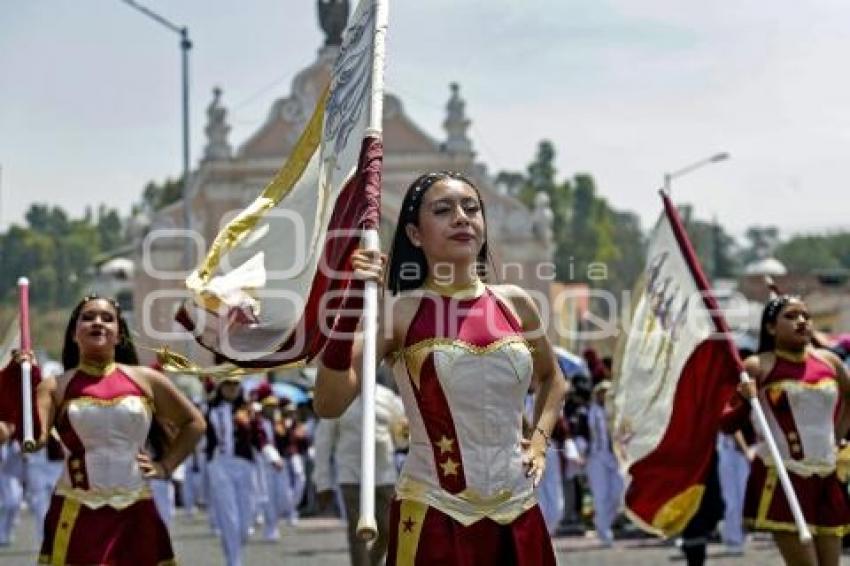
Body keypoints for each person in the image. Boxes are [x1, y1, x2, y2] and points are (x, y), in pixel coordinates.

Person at [314, 171, 568, 565]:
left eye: (471, 208)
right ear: (415, 235)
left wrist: (538, 442)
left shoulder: (516, 304)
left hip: (518, 512)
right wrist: (346, 304)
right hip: (433, 514)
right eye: (444, 210)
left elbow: (553, 379)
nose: (462, 218)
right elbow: (329, 402)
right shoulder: (399, 314)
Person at [0, 294, 206, 565]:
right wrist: (22, 381)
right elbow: (34, 441)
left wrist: (165, 466)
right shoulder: (55, 386)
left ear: (119, 334)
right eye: (88, 318)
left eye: (107, 318)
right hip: (78, 511)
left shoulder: (147, 380)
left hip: (137, 510)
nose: (98, 323)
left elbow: (194, 424)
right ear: (75, 334)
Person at [724, 295, 850, 566]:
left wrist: (837, 440)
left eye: (805, 315)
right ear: (770, 328)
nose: (801, 321)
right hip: (783, 477)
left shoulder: (830, 363)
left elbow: (848, 401)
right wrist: (745, 400)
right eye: (791, 317)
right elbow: (727, 423)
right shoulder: (758, 366)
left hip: (827, 476)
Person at [314, 380, 406, 566]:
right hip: (351, 475)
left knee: (390, 530)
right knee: (359, 532)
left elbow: (401, 439)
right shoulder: (339, 397)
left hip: (384, 475)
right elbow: (324, 442)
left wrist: (405, 432)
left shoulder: (387, 397)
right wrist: (322, 482)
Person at [205, 376, 279, 566]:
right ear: (221, 387)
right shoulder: (209, 409)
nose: (231, 388)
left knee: (246, 523)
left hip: (245, 467)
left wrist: (273, 457)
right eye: (227, 384)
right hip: (219, 465)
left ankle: (234, 551)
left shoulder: (250, 410)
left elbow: (260, 438)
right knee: (229, 518)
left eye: (235, 384)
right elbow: (201, 437)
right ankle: (233, 561)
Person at [585, 379, 623, 547]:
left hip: (614, 457)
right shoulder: (590, 412)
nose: (605, 396)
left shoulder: (618, 413)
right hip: (596, 456)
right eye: (602, 393)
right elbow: (583, 433)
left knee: (617, 494)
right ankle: (604, 530)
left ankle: (602, 523)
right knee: (601, 496)